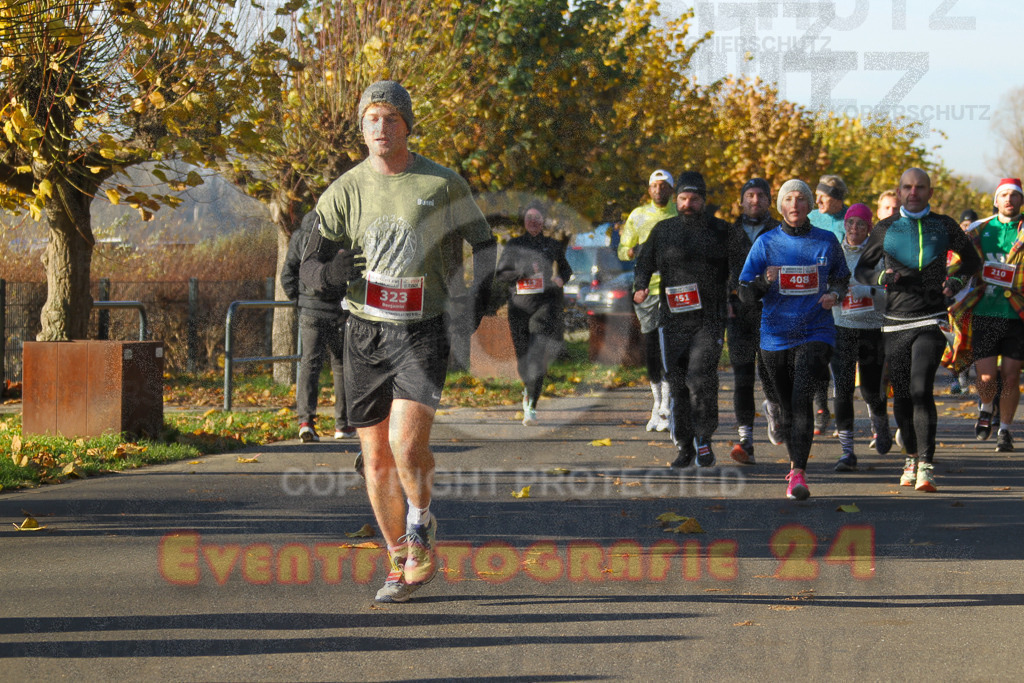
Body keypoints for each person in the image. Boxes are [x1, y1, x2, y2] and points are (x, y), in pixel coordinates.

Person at [301, 81, 496, 603]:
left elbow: (484, 242)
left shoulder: (442, 183)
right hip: (363, 331)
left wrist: (478, 292)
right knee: (375, 458)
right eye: (371, 119)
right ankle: (397, 560)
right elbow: (308, 264)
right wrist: (328, 272)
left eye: (389, 119)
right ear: (361, 128)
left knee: (405, 446)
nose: (380, 129)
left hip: (423, 328)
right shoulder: (344, 190)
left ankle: (421, 523)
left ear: (407, 124)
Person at [854, 168, 980, 492]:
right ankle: (910, 456)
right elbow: (863, 268)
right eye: (908, 187)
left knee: (921, 388)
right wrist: (881, 279)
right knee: (904, 395)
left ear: (930, 192)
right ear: (899, 193)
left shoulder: (945, 225)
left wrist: (954, 280)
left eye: (920, 187)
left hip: (932, 317)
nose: (914, 192)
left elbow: (971, 261)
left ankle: (926, 464)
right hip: (895, 321)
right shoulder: (885, 228)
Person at [739, 179, 850, 500]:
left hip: (817, 331)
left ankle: (798, 472)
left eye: (801, 199)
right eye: (789, 199)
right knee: (787, 406)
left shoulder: (826, 241)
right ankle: (793, 462)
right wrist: (764, 281)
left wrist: (834, 294)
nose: (795, 205)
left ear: (809, 205)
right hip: (775, 335)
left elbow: (842, 277)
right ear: (781, 206)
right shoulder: (766, 243)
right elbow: (745, 293)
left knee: (802, 398)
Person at [634, 171, 741, 469]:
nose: (688, 204)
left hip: (709, 317)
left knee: (701, 377)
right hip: (672, 319)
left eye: (694, 199)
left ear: (703, 200)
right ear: (676, 199)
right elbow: (644, 262)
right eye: (683, 198)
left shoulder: (722, 231)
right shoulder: (664, 231)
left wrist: (733, 289)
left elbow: (740, 264)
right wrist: (641, 285)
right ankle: (684, 445)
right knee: (678, 383)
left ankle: (704, 438)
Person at [948, 179, 1024, 452]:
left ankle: (1005, 429)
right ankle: (987, 407)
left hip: (1017, 313)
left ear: (1021, 201)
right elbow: (958, 263)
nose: (1009, 200)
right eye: (1003, 195)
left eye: (1014, 196)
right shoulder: (980, 230)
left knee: (1012, 376)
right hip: (985, 311)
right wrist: (947, 284)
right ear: (995, 200)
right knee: (987, 378)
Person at [495, 202, 572, 426]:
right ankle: (528, 390)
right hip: (519, 306)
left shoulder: (552, 245)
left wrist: (560, 279)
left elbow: (566, 269)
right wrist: (522, 273)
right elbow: (501, 275)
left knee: (536, 357)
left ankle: (531, 407)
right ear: (524, 221)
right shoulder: (514, 245)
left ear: (544, 222)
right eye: (529, 218)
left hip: (544, 305)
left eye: (538, 218)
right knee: (523, 360)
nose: (533, 222)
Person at [282, 210, 354, 443]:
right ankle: (342, 425)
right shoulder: (342, 235)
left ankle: (306, 422)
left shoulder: (300, 237)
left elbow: (288, 275)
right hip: (338, 310)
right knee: (341, 365)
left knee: (309, 364)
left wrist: (300, 301)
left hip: (310, 311)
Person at [829, 204, 891, 471]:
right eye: (850, 223)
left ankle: (880, 420)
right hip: (840, 327)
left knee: (870, 389)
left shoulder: (879, 254)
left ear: (869, 227)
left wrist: (869, 291)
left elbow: (892, 294)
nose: (855, 229)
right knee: (842, 388)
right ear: (845, 224)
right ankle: (847, 451)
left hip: (871, 329)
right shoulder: (834, 253)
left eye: (861, 225)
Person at [726, 178, 783, 464]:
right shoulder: (730, 233)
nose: (755, 200)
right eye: (750, 195)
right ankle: (745, 440)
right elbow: (721, 270)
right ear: (742, 200)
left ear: (769, 201)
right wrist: (725, 299)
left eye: (761, 195)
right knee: (743, 377)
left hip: (772, 312)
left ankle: (774, 409)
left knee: (771, 374)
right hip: (739, 314)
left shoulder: (779, 231)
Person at [618, 169, 678, 432]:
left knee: (672, 348)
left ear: (672, 190)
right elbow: (622, 250)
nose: (658, 190)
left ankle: (669, 405)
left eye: (664, 186)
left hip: (675, 289)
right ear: (649, 189)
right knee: (652, 346)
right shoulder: (638, 215)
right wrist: (631, 250)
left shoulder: (679, 213)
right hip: (647, 290)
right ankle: (657, 404)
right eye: (654, 186)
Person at [808, 174, 848, 435]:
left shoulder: (849, 219)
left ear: (838, 199)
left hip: (843, 295)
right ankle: (821, 407)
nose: (818, 199)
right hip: (814, 295)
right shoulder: (811, 217)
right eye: (817, 194)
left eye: (824, 195)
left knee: (839, 358)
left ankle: (843, 410)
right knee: (817, 354)